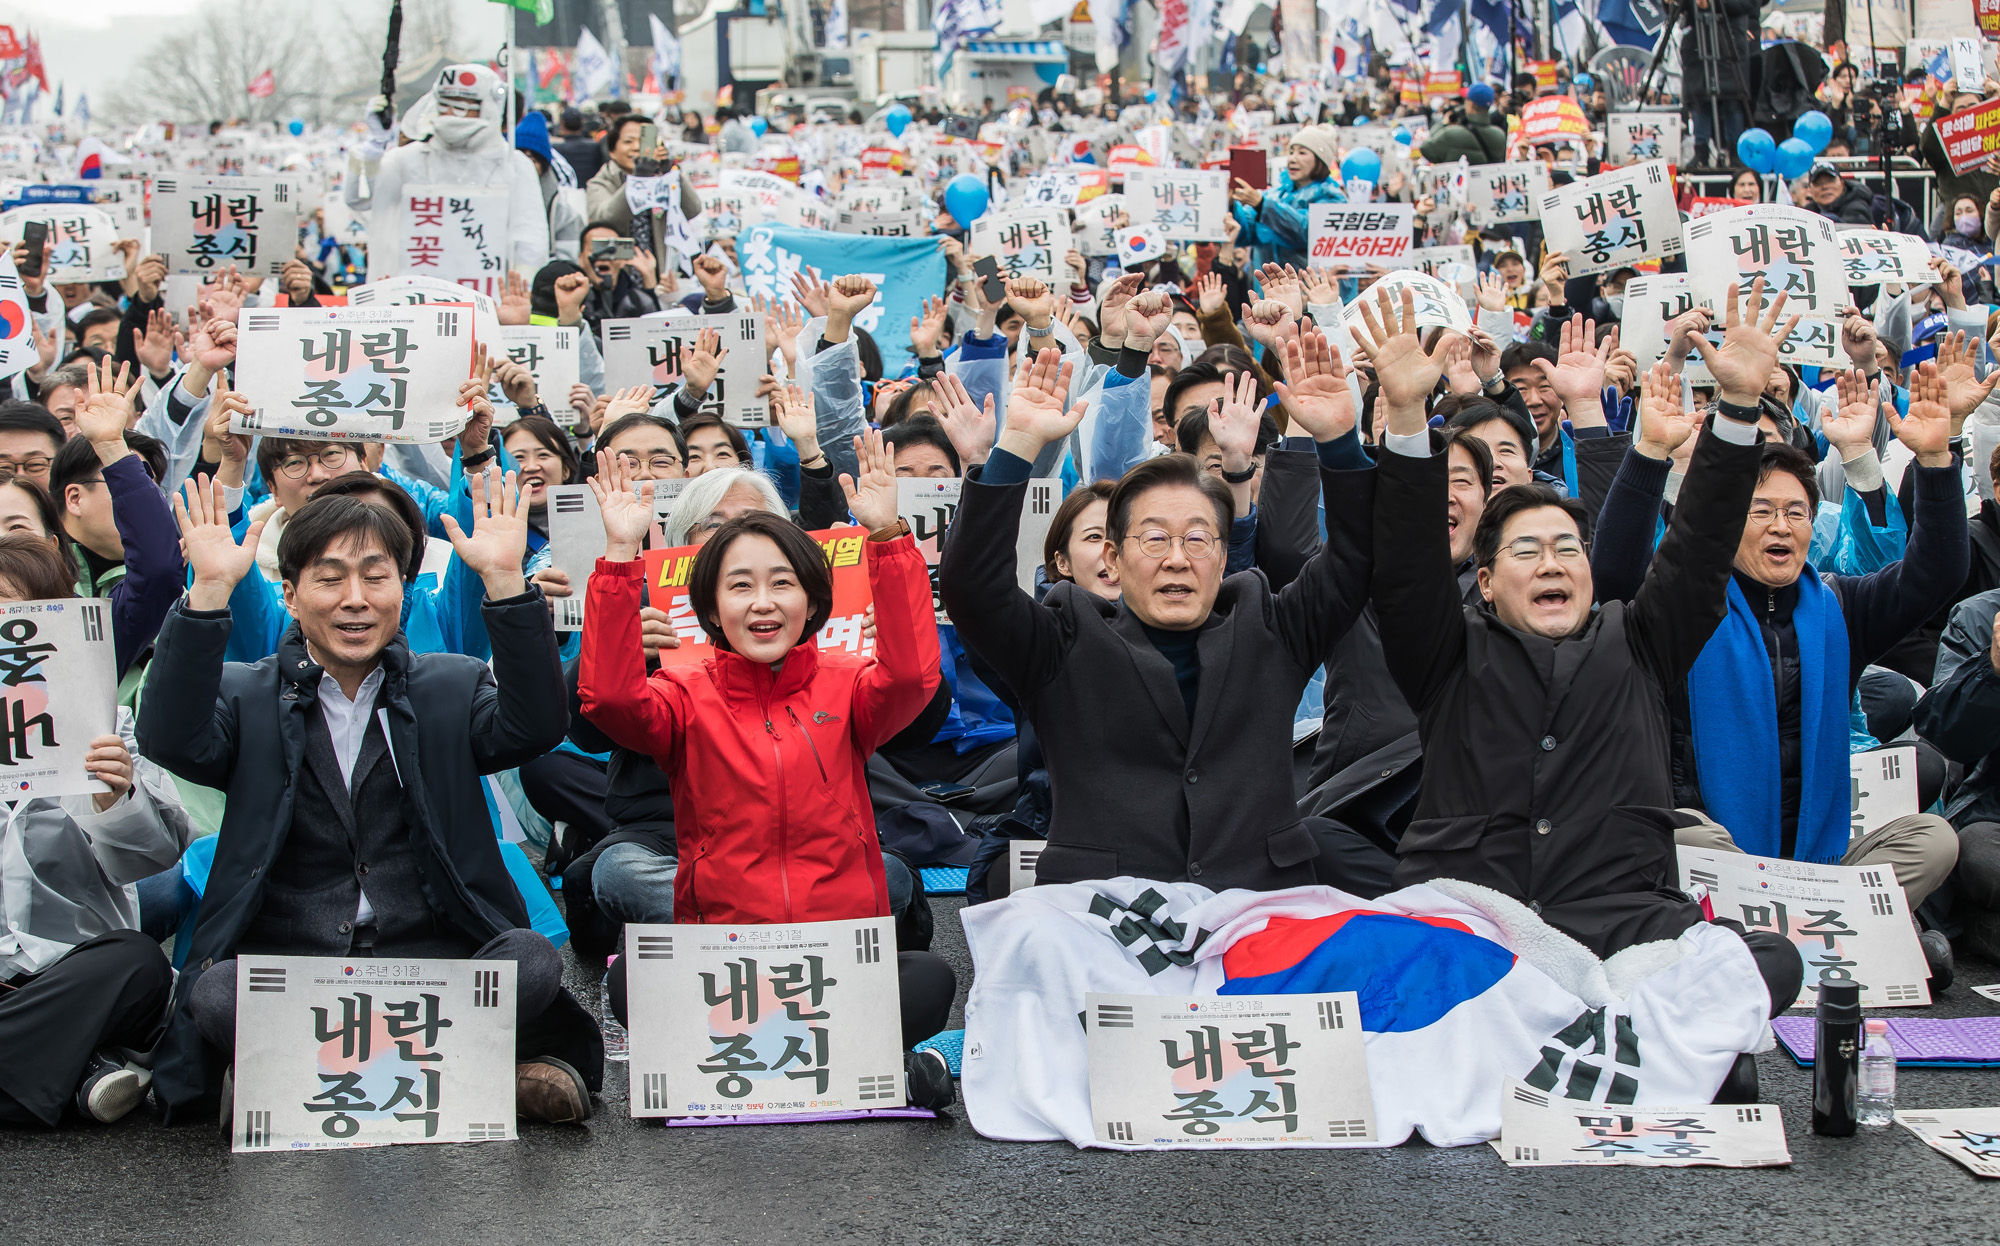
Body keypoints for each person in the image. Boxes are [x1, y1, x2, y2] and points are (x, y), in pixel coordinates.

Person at [1365, 278, 1806, 1021]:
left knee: (1769, 958)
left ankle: (1613, 1030)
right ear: (1486, 581)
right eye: (1528, 551)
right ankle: (1640, 1041)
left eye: (1567, 548)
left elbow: (1697, 554)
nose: (1551, 565)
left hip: (1621, 927)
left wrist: (1734, 414)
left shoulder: (1637, 641)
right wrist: (1408, 419)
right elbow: (1407, 568)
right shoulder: (1445, 649)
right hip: (1475, 926)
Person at [139, 472, 599, 1126]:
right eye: (330, 579)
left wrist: (504, 583)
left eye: (375, 577)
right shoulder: (247, 693)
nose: (354, 599)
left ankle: (294, 1074)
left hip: (430, 964)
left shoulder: (450, 685)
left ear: (402, 591)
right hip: (299, 966)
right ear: (291, 596)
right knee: (216, 994)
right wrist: (209, 592)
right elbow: (169, 738)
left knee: (528, 961)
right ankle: (489, 1078)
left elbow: (536, 726)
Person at [576, 434, 958, 1104]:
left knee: (929, 981)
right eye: (740, 586)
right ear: (711, 609)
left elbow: (914, 678)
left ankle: (772, 1053)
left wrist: (890, 538)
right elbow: (608, 701)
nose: (762, 603)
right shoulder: (685, 696)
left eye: (782, 583)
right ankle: (847, 1062)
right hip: (726, 957)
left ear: (812, 602)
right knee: (630, 983)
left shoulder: (849, 685)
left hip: (833, 953)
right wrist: (617, 562)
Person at [940, 340, 1389, 894]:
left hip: (1256, 909)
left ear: (1224, 556)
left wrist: (1340, 442)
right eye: (1155, 538)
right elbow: (971, 590)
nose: (1177, 557)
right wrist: (1017, 445)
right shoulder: (1063, 639)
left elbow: (1355, 560)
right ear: (1113, 556)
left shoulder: (1272, 629)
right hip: (1103, 919)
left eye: (1198, 539)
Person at [1659, 365, 1967, 978]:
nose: (1781, 526)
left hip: (1816, 864)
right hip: (1724, 857)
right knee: (1681, 839)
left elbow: (1936, 573)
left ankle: (1765, 949)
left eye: (1795, 512)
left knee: (1936, 842)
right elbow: (1619, 565)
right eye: (1761, 510)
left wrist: (1936, 461)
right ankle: (1853, 944)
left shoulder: (1840, 606)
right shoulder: (1680, 605)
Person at [0, 534, 196, 1126]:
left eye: (16, 610)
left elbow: (153, 859)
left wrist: (116, 797)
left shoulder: (102, 722)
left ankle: (66, 1064)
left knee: (138, 964)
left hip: (70, 968)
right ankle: (73, 1072)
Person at [45, 358, 182, 680]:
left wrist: (111, 447)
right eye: (123, 483)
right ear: (74, 498)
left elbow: (156, 571)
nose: (140, 501)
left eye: (150, 489)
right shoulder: (32, 581)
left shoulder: (129, 606)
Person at [350, 64, 548, 282]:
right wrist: (374, 147)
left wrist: (522, 293)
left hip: (489, 305)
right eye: (445, 105)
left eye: (464, 107)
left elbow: (531, 242)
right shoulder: (406, 160)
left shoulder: (515, 165)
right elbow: (358, 199)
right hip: (411, 303)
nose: (452, 114)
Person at [1227, 126, 1349, 270]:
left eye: (1302, 153)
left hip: (1305, 289)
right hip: (1267, 289)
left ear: (1320, 160)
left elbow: (1305, 231)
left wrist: (1262, 206)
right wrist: (1231, 205)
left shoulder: (1333, 197)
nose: (1292, 159)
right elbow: (1245, 233)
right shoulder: (1274, 195)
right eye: (1291, 152)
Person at [1679, 0, 1758, 166]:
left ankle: (1736, 152)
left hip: (1729, 41)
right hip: (1697, 42)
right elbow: (1680, 8)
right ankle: (1701, 151)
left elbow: (1750, 4)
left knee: (1733, 101)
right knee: (1699, 100)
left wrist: (1713, 3)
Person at [1420, 85, 1507, 165]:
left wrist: (1444, 123)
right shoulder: (1500, 135)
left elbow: (1426, 149)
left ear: (1470, 104)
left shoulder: (1452, 133)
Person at [1804, 162, 1874, 226]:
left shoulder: (1857, 206)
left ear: (1842, 183)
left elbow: (1854, 228)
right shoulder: (1808, 211)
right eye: (1818, 184)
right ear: (1810, 190)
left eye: (1830, 181)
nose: (1824, 187)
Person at [553, 107, 606, 184]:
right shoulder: (595, 146)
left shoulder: (555, 149)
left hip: (567, 193)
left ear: (562, 124)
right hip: (590, 190)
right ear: (582, 123)